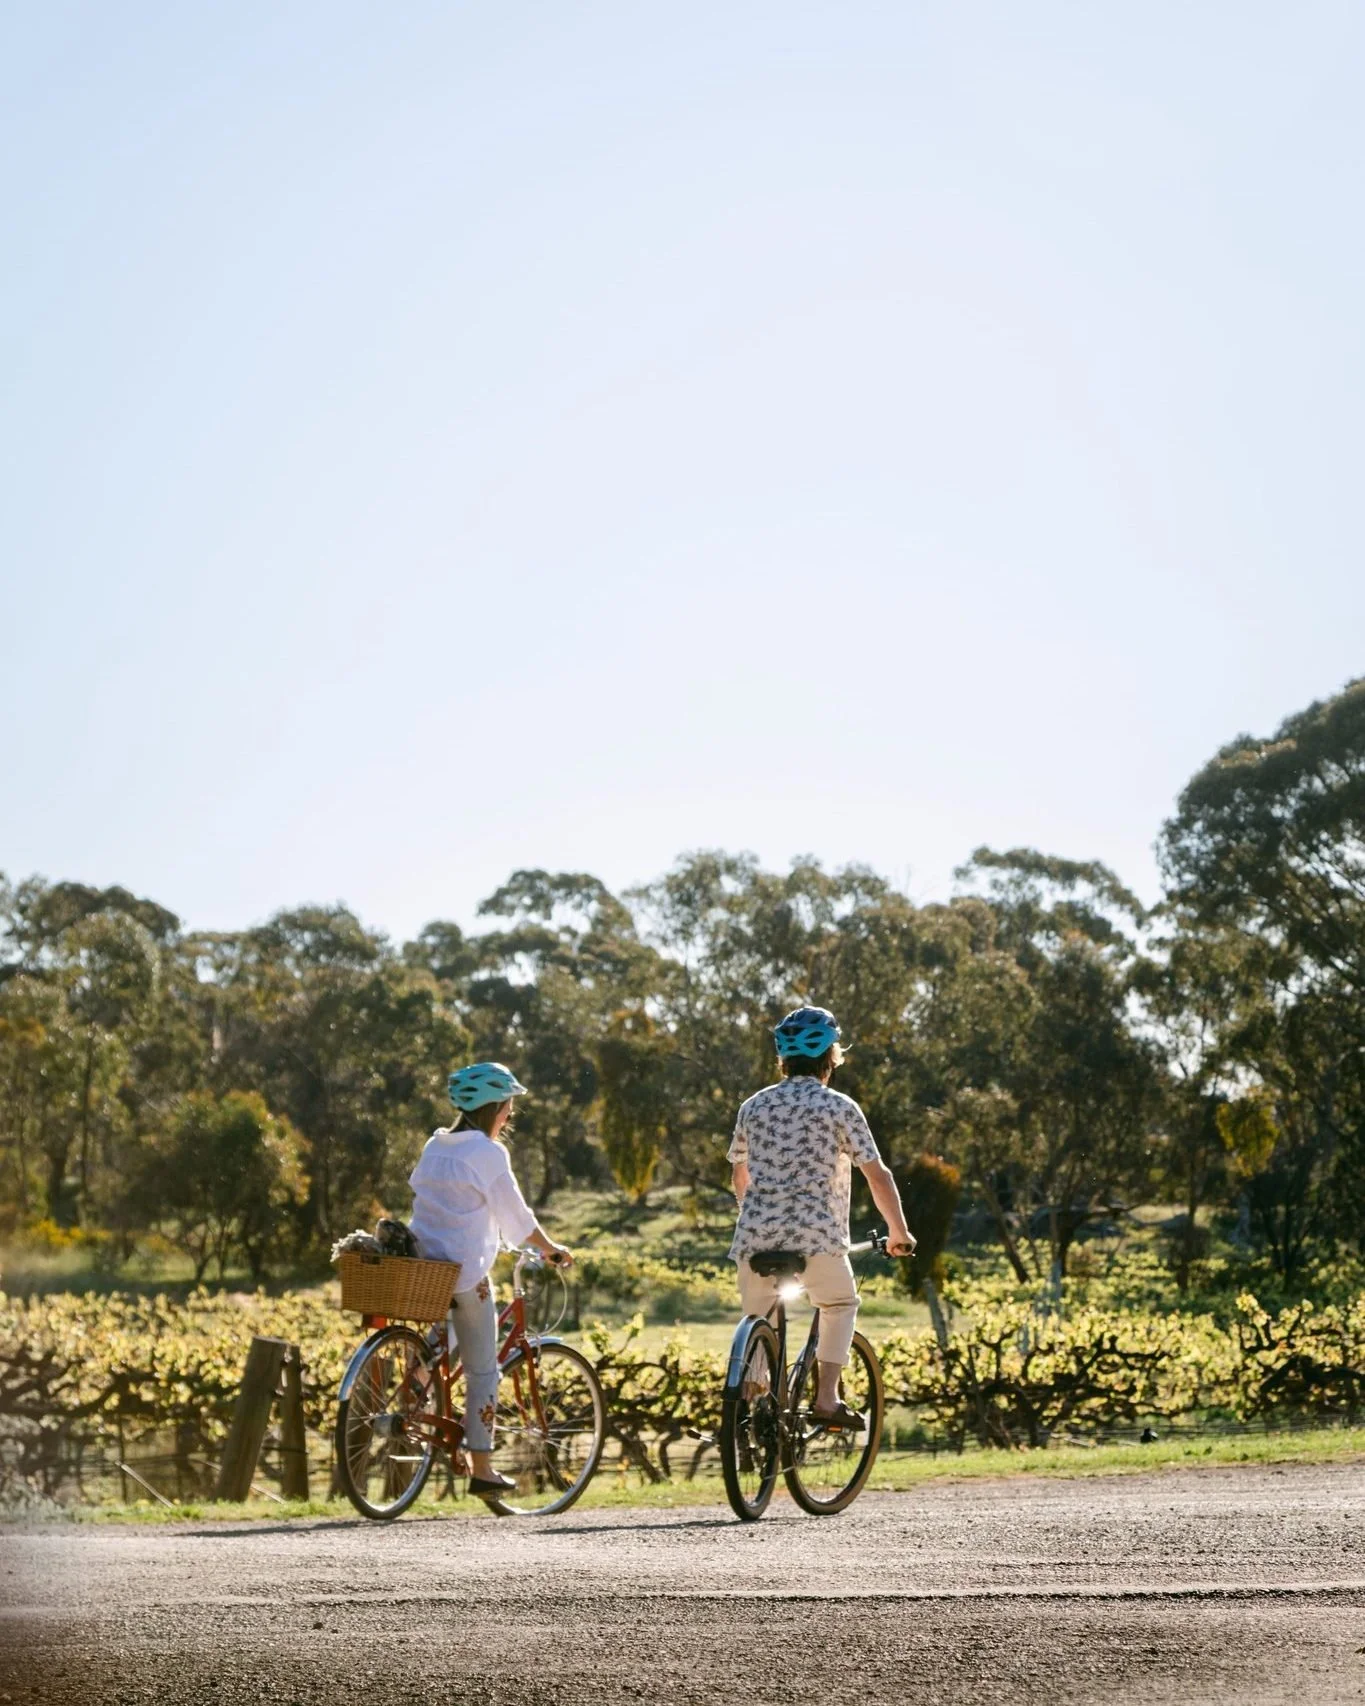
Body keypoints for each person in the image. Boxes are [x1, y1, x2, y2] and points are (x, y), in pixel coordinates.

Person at [729, 1006, 915, 1428]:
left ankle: (747, 1408)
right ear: (831, 1057)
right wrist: (899, 1232)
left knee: (756, 1321)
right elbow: (877, 1174)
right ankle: (827, 1399)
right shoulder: (840, 1107)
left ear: (783, 1059)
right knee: (839, 1302)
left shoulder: (753, 1106)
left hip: (754, 1237)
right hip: (817, 1238)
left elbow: (740, 1173)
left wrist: (755, 1217)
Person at [408, 1061, 572, 1498]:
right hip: (464, 1273)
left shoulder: (435, 1145)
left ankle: (411, 1403)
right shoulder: (487, 1153)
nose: (509, 1117)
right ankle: (482, 1467)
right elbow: (517, 1217)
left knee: (444, 1344)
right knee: (484, 1372)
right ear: (494, 1108)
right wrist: (551, 1249)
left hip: (425, 1268)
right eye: (507, 1109)